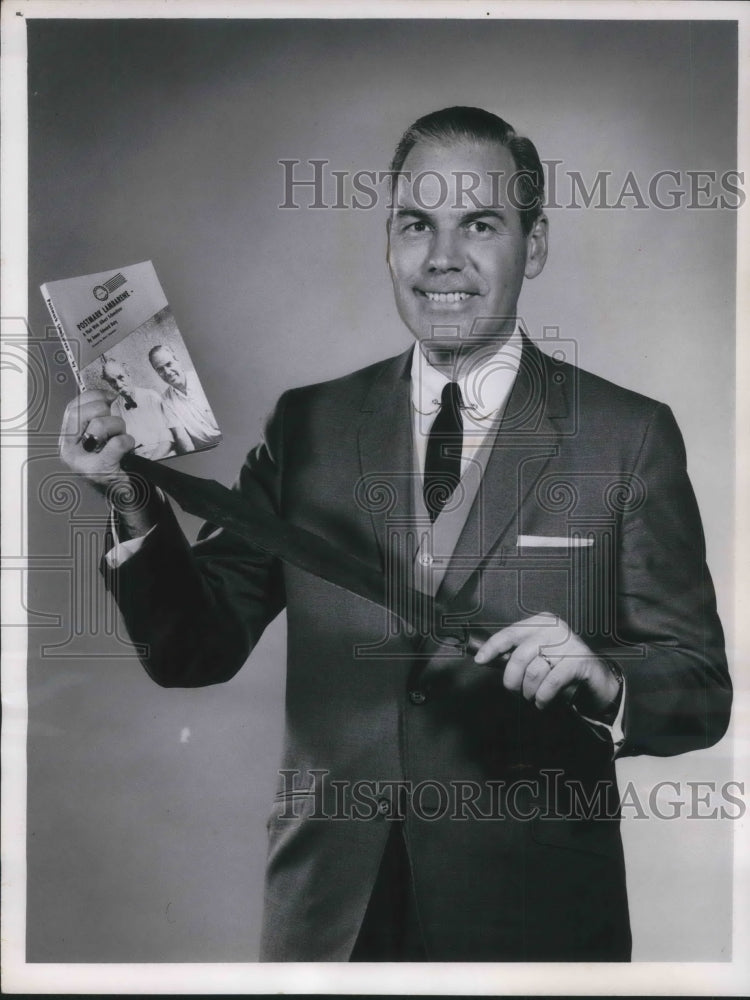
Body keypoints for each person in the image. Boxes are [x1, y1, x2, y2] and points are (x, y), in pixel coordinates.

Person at [59, 107, 731, 962]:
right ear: (389, 243)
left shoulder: (626, 434)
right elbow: (196, 650)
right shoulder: (309, 425)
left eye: (479, 224)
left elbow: (702, 687)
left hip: (534, 928)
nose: (442, 258)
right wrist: (131, 500)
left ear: (538, 243)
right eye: (417, 224)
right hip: (328, 921)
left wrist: (606, 679)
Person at [99, 356, 188, 461]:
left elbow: (167, 440)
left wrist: (150, 463)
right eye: (112, 381)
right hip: (138, 460)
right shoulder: (115, 408)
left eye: (120, 377)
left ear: (128, 373)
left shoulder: (151, 396)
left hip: (163, 456)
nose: (118, 384)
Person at [148, 344, 221, 452]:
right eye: (160, 369)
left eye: (169, 364)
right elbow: (182, 437)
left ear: (177, 360)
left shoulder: (203, 378)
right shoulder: (165, 401)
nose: (167, 372)